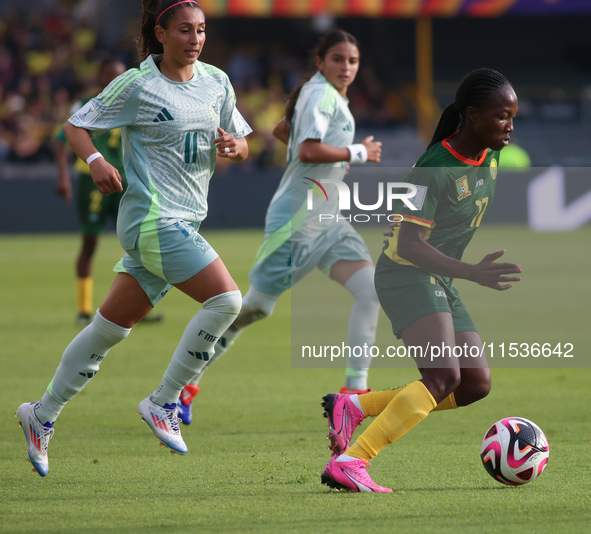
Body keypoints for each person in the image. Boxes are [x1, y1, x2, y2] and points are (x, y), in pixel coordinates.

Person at [16, 0, 251, 477]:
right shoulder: (138, 84)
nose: (195, 39)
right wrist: (96, 161)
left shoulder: (216, 82)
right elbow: (75, 126)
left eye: (201, 30)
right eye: (185, 30)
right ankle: (165, 401)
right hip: (154, 220)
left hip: (186, 220)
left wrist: (236, 147)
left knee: (108, 330)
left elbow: (241, 138)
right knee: (226, 300)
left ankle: (40, 415)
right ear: (160, 33)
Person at [320, 68, 521, 492]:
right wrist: (471, 271)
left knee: (474, 383)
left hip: (438, 276)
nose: (510, 125)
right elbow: (410, 245)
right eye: (502, 115)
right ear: (471, 115)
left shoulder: (490, 152)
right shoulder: (435, 167)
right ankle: (353, 461)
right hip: (406, 274)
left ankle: (354, 405)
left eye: (512, 115)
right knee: (442, 377)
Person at [175, 29, 383, 425]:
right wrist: (358, 152)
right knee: (254, 308)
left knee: (371, 290)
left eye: (352, 61)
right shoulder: (321, 94)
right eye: (337, 59)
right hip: (298, 220)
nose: (346, 67)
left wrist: (334, 163)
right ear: (320, 62)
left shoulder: (325, 95)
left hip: (326, 218)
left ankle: (354, 392)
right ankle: (181, 383)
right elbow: (306, 149)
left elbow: (283, 133)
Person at [54, 58, 139, 325]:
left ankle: (136, 306)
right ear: (101, 76)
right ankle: (83, 309)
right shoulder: (86, 103)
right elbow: (61, 139)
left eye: (120, 76)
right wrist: (64, 176)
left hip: (125, 181)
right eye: (111, 75)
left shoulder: (132, 103)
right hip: (92, 180)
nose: (116, 81)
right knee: (90, 244)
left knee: (138, 244)